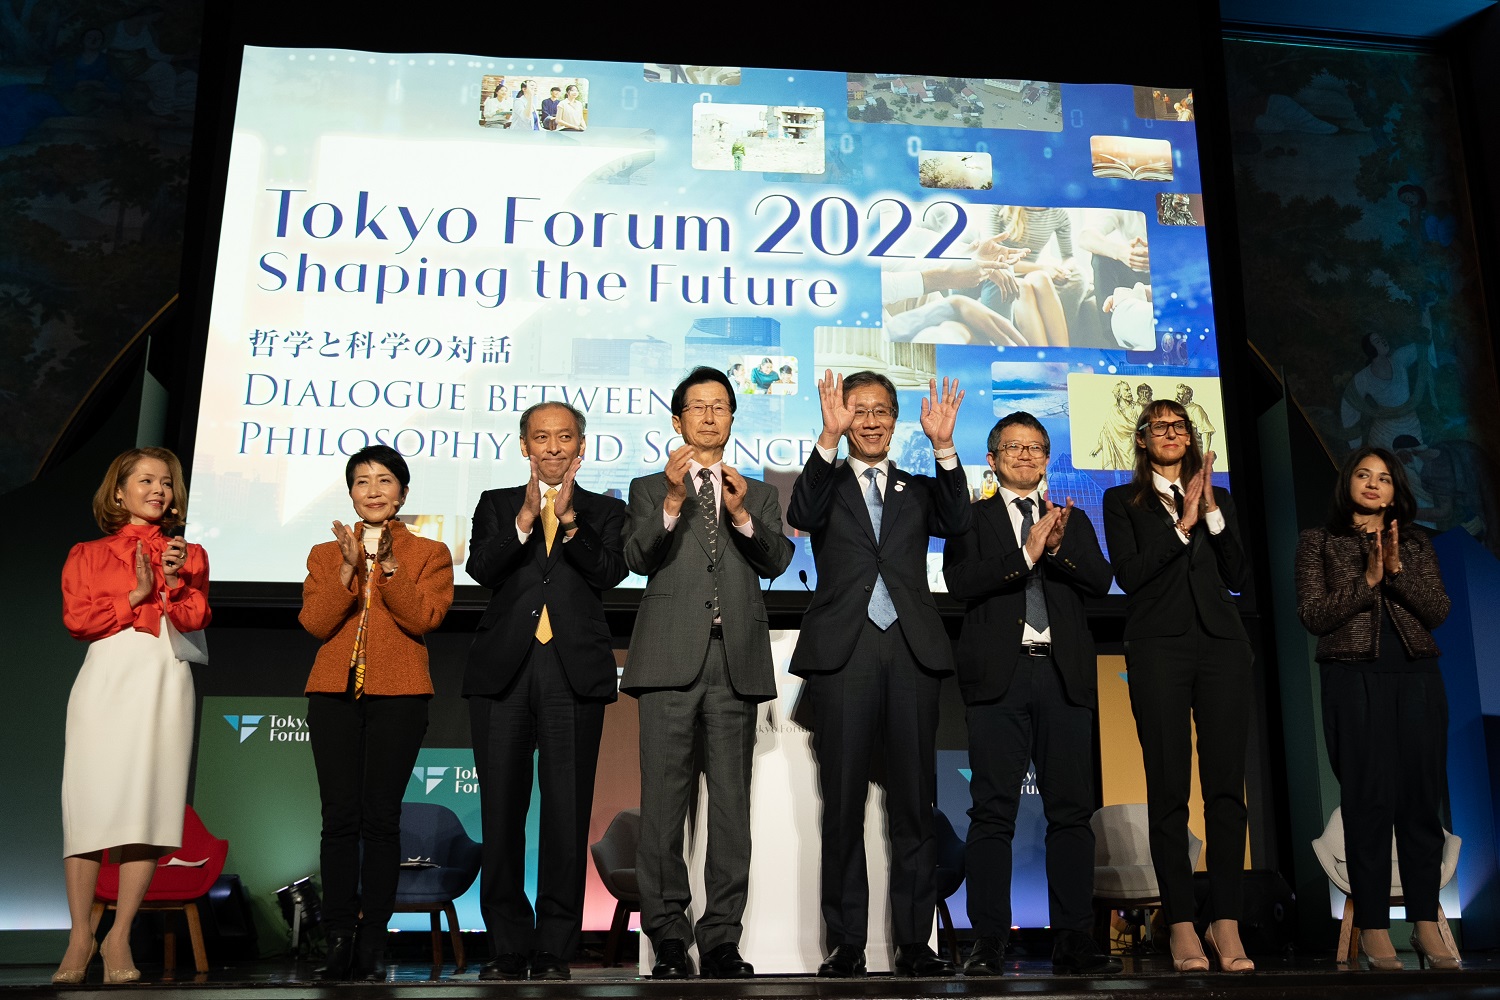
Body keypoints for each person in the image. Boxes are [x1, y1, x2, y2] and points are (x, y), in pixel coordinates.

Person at [789, 371, 971, 978]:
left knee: (915, 807)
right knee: (841, 806)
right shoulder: (827, 481)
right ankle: (846, 944)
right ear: (844, 416)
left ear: (896, 421)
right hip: (846, 654)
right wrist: (826, 439)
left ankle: (915, 945)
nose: (870, 420)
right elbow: (799, 511)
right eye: (858, 410)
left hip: (911, 654)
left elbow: (959, 521)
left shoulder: (917, 488)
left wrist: (945, 448)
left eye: (881, 411)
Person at [621, 367, 795, 979]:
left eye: (720, 406)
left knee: (730, 811)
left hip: (734, 662)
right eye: (698, 407)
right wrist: (672, 503)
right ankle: (668, 935)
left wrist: (745, 514)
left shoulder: (760, 490)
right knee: (663, 809)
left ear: (731, 419)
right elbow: (636, 557)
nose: (710, 416)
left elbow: (777, 559)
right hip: (669, 661)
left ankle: (722, 937)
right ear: (678, 421)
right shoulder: (647, 487)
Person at [942, 414, 1119, 976]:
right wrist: (1024, 558)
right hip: (1001, 676)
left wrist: (1058, 547)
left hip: (1063, 676)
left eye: (1035, 447)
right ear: (992, 460)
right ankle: (988, 940)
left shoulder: (1072, 518)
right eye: (1013, 448)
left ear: (1047, 458)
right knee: (993, 814)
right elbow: (960, 582)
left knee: (1071, 814)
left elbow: (1099, 580)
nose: (1025, 455)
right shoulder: (970, 518)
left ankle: (1073, 939)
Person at [464, 403, 628, 981]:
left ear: (582, 447)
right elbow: (483, 568)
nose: (552, 447)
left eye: (564, 438)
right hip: (503, 672)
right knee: (501, 814)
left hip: (572, 672)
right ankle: (507, 945)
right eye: (541, 438)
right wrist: (526, 522)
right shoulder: (497, 504)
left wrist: (571, 523)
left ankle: (555, 947)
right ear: (523, 445)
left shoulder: (606, 509)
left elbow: (611, 573)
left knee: (566, 814)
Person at [1102, 401, 1254, 973]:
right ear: (1141, 441)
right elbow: (1131, 575)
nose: (1171, 434)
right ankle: (1183, 924)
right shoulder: (1123, 502)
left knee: (1225, 791)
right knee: (1168, 789)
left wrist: (1210, 513)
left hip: (1222, 647)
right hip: (1159, 647)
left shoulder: (1221, 498)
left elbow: (1238, 576)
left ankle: (1227, 922)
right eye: (1159, 427)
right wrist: (1183, 524)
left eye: (1179, 426)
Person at [1294, 448, 1460, 970]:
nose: (1373, 484)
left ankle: (1426, 924)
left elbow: (1438, 610)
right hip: (1352, 678)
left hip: (1417, 678)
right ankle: (1372, 926)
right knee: (1367, 804)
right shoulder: (1318, 542)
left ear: (1396, 491)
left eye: (1384, 478)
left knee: (1419, 803)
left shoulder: (1414, 541)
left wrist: (1395, 571)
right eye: (1364, 475)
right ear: (1348, 483)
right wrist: (1366, 580)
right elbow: (1314, 615)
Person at [55, 447, 209, 985]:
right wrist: (133, 595)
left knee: (149, 805)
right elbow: (78, 619)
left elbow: (195, 617)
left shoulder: (188, 553)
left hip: (165, 677)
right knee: (90, 806)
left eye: (166, 482)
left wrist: (174, 581)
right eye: (146, 480)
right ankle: (80, 936)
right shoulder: (87, 553)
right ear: (118, 491)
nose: (159, 490)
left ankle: (118, 936)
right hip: (108, 676)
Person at [299, 445, 454, 980]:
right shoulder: (324, 553)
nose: (373, 490)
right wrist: (347, 567)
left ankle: (373, 942)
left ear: (403, 493)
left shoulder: (429, 552)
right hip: (333, 696)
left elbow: (424, 618)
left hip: (401, 695)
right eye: (362, 481)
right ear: (350, 493)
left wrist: (387, 567)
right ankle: (338, 938)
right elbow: (317, 624)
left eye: (385, 480)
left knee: (381, 820)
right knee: (339, 818)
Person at [1176, 384, 1216, 455]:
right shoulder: (1175, 409)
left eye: (1180, 394)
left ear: (1187, 396)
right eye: (1177, 393)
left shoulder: (1196, 409)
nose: (1177, 396)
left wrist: (1205, 455)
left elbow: (1206, 432)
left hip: (1193, 451)